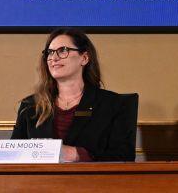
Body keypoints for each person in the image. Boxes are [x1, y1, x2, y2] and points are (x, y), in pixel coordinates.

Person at [11, 28, 135, 161]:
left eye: (63, 50)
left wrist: (76, 154)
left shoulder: (113, 105)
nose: (54, 58)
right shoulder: (30, 106)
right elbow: (13, 157)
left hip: (93, 181)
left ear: (84, 58)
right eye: (50, 52)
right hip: (40, 181)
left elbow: (124, 156)